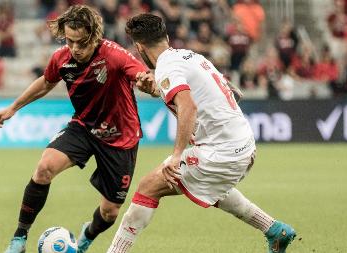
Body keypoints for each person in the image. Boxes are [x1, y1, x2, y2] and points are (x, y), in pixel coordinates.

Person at [106, 13, 296, 253]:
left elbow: (188, 106)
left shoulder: (166, 67)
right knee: (209, 185)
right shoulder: (189, 56)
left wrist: (176, 155)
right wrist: (154, 89)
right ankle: (275, 230)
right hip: (243, 146)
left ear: (139, 47)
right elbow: (227, 91)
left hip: (222, 151)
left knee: (148, 187)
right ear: (165, 37)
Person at [0, 5, 148, 253]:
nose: (74, 48)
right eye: (69, 41)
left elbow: (142, 75)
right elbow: (46, 83)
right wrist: (13, 107)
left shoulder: (115, 56)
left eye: (81, 42)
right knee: (44, 169)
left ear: (94, 35)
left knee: (109, 212)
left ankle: (87, 235)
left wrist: (146, 81)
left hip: (120, 138)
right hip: (84, 127)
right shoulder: (62, 58)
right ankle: (19, 238)